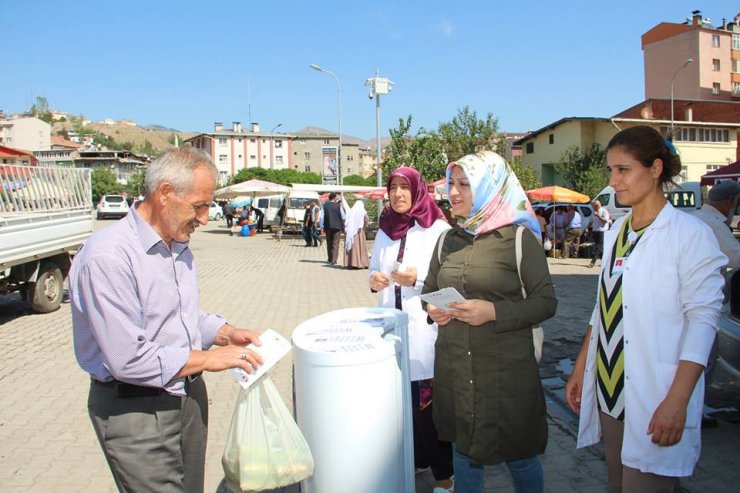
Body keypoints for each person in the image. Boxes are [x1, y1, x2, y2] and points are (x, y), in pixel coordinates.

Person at [69, 147, 264, 493]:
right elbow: (128, 358)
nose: (205, 218)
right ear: (164, 194)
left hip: (186, 396)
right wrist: (209, 360)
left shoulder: (177, 246)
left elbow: (178, 317)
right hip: (137, 410)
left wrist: (223, 333)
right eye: (199, 205)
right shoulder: (108, 258)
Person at [564, 126, 726, 492]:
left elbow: (703, 320)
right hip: (610, 392)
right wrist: (581, 368)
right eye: (610, 170)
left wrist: (678, 400)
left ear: (655, 170)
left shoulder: (689, 234)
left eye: (623, 170)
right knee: (618, 484)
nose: (613, 180)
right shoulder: (618, 231)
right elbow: (603, 307)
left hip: (655, 394)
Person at [423, 151, 557, 493]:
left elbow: (545, 302)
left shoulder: (518, 239)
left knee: (520, 456)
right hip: (456, 371)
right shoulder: (446, 240)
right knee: (463, 454)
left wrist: (493, 312)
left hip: (505, 374)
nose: (453, 192)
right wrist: (433, 311)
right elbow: (428, 290)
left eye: (465, 185)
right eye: (452, 183)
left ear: (489, 188)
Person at [368, 167, 453, 492]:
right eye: (394, 188)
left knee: (428, 414)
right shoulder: (385, 230)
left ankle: (446, 478)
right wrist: (373, 279)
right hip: (391, 333)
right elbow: (376, 270)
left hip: (425, 337)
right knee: (399, 410)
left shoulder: (438, 229)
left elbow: (448, 282)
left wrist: (417, 278)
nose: (399, 194)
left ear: (418, 191)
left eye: (406, 187)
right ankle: (413, 466)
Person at [692, 180, 740, 271]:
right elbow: (736, 259)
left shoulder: (693, 216)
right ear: (731, 201)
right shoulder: (715, 224)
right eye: (738, 203)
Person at [344, 200, 370, 269]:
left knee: (353, 247)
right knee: (360, 247)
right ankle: (361, 263)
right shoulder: (362, 210)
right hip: (359, 232)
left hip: (351, 231)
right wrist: (364, 227)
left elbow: (346, 220)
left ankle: (351, 263)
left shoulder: (351, 210)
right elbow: (366, 219)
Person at [585, 199, 610, 268]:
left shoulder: (604, 211)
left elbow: (605, 221)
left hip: (602, 231)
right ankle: (605, 263)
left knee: (599, 247)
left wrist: (598, 216)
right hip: (595, 231)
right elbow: (590, 221)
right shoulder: (593, 212)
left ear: (597, 206)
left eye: (593, 206)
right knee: (599, 248)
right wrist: (587, 228)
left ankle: (592, 262)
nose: (592, 207)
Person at [323, 193, 344, 264]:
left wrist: (322, 226)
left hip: (328, 226)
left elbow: (322, 216)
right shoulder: (339, 206)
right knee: (335, 243)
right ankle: (334, 260)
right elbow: (343, 216)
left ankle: (330, 258)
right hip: (337, 227)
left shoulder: (325, 205)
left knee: (329, 243)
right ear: (334, 198)